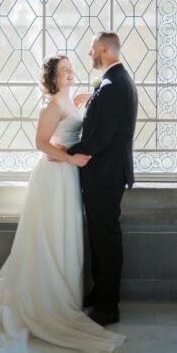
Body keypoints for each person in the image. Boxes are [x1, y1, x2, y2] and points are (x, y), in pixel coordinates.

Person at [0, 54, 125, 352]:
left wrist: (88, 99)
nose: (70, 73)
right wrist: (70, 158)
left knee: (66, 235)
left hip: (68, 177)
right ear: (52, 77)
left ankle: (66, 296)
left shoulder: (71, 100)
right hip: (54, 175)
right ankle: (47, 299)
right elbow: (40, 143)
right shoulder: (51, 105)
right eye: (63, 71)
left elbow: (77, 121)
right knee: (49, 236)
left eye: (70, 68)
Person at [67, 32, 138, 327]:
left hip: (106, 173)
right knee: (99, 234)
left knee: (106, 237)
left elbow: (100, 137)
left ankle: (109, 306)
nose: (89, 54)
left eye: (92, 49)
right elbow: (101, 125)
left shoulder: (113, 85)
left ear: (105, 49)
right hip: (104, 173)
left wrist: (66, 152)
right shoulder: (113, 81)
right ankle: (100, 293)